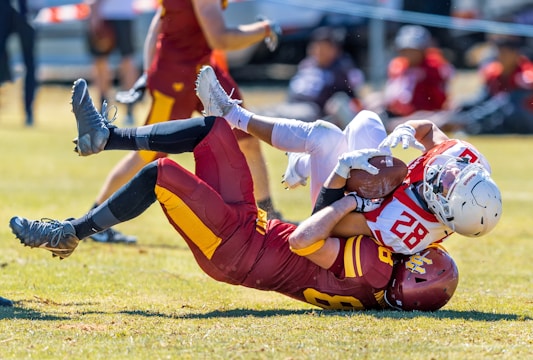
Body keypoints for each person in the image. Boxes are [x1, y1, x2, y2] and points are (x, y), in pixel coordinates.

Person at [9, 77, 459, 311]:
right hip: (253, 228)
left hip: (235, 248)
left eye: (422, 259)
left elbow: (305, 240)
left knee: (162, 174)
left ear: (410, 282)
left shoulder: (378, 273)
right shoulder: (385, 268)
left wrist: (346, 195)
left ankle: (70, 231)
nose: (417, 249)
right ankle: (106, 136)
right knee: (213, 129)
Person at [195, 65, 503, 255]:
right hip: (376, 188)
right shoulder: (467, 163)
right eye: (456, 174)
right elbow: (431, 132)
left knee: (324, 136)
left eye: (448, 184)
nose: (448, 172)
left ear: (442, 208)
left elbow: (334, 225)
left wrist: (346, 180)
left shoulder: (403, 228)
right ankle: (300, 164)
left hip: (338, 207)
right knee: (366, 121)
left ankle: (232, 115)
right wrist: (409, 128)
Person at [86, 0, 285, 243]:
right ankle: (95, 222)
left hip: (205, 70)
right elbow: (220, 39)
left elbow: (158, 24)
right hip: (176, 77)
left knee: (247, 136)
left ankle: (269, 216)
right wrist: (264, 29)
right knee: (148, 154)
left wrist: (148, 72)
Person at [259, 26, 364, 129]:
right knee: (269, 110)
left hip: (314, 110)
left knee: (276, 116)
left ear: (334, 50)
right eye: (316, 47)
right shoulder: (307, 64)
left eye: (323, 48)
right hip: (293, 104)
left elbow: (348, 96)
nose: (318, 51)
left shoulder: (340, 69)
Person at [364, 25, 454, 131]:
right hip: (399, 111)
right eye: (405, 50)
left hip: (425, 112)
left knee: (435, 120)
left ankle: (389, 126)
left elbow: (441, 97)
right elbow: (391, 93)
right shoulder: (397, 65)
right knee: (373, 100)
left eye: (412, 50)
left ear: (423, 50)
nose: (408, 54)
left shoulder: (434, 67)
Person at [447, 34, 533, 134]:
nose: (501, 57)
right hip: (499, 115)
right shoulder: (494, 72)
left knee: (505, 108)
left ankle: (468, 126)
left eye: (505, 53)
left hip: (525, 120)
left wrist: (468, 119)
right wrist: (461, 106)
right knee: (462, 107)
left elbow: (506, 103)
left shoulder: (527, 74)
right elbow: (482, 100)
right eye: (499, 52)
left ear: (516, 54)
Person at [85, 0, 139, 125]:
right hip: (119, 13)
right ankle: (108, 108)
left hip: (111, 13)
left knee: (123, 62)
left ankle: (124, 108)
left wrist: (95, 7)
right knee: (106, 63)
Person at [0, 0, 37, 126]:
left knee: (30, 63)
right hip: (4, 7)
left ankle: (29, 112)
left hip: (24, 8)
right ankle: (6, 75)